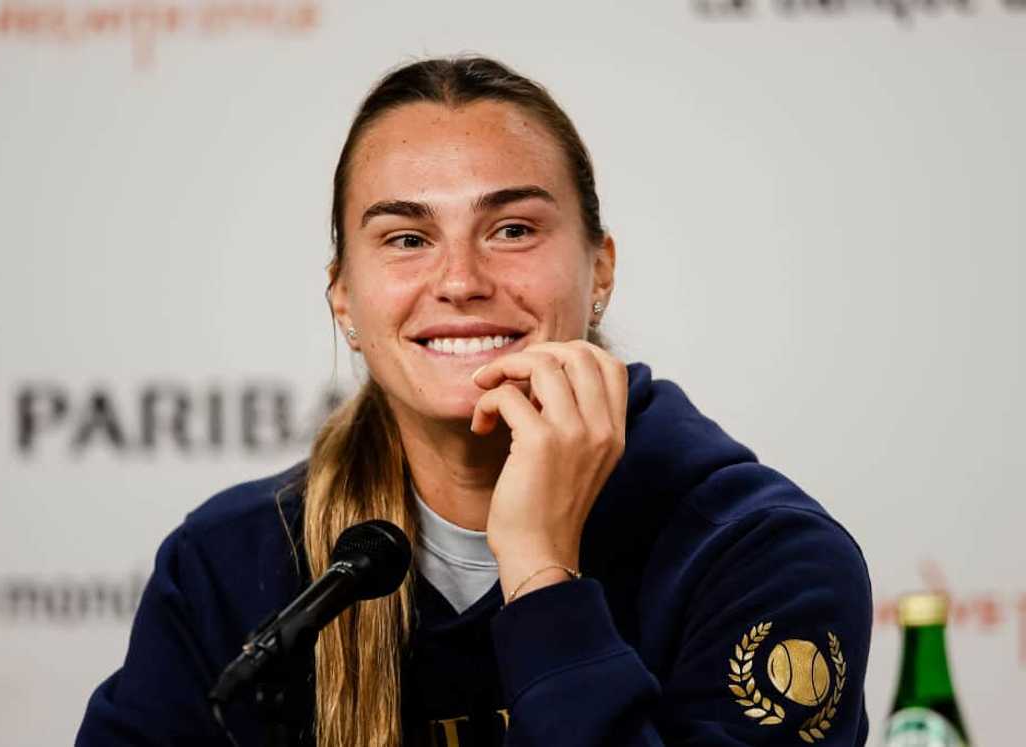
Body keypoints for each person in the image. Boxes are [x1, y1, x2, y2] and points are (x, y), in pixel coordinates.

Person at [77, 56, 872, 747]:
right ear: (344, 299)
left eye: (514, 229)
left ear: (600, 269)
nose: (460, 280)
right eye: (407, 238)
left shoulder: (765, 558)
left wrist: (540, 572)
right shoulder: (229, 566)